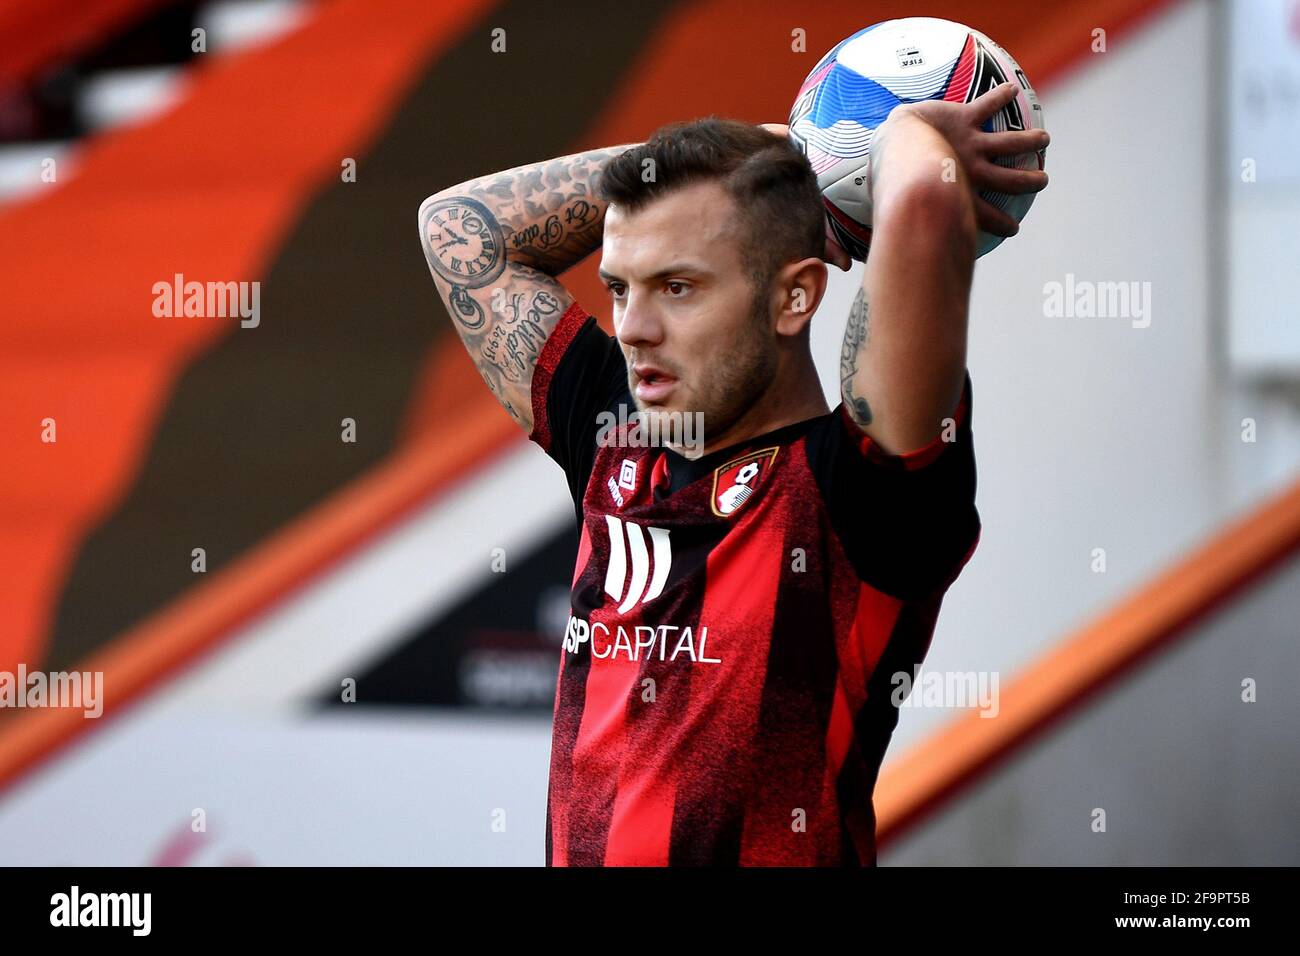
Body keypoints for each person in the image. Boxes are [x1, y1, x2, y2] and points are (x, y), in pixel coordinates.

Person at [417, 82, 1048, 865]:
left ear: (794, 297)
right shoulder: (613, 431)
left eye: (677, 288)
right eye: (619, 288)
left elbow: (921, 201)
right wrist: (753, 151)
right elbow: (458, 230)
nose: (634, 329)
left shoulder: (861, 492)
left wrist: (893, 137)